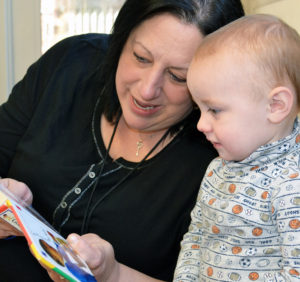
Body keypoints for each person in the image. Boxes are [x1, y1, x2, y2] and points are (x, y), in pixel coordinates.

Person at [0, 0, 244, 281]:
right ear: (122, 38)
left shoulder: (223, 159)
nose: (147, 89)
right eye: (141, 57)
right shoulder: (71, 63)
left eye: (178, 77)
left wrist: (113, 274)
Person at [173, 14, 300, 281]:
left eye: (215, 110)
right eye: (199, 109)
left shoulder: (291, 185)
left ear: (275, 106)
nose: (201, 124)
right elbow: (196, 236)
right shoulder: (217, 170)